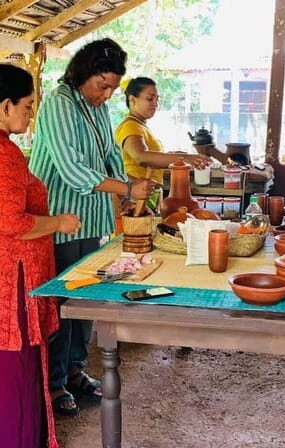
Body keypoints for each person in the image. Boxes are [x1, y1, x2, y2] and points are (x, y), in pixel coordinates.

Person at [0, 62, 79, 448]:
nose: (31, 114)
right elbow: (13, 222)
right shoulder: (5, 153)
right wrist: (59, 222)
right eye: (27, 106)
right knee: (12, 365)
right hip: (9, 274)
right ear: (6, 105)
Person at [29, 38, 155, 416]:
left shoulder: (99, 107)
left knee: (87, 299)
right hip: (63, 218)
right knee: (63, 301)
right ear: (84, 74)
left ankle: (76, 369)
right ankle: (53, 382)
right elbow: (73, 169)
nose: (107, 94)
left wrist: (126, 194)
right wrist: (128, 186)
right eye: (102, 85)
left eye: (114, 88)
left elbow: (110, 157)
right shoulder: (59, 104)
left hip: (95, 217)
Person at [114, 77, 208, 210]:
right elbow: (141, 157)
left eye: (157, 99)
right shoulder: (130, 126)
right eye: (150, 98)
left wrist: (180, 155)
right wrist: (185, 158)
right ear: (132, 99)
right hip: (135, 195)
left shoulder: (140, 127)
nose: (155, 104)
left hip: (148, 194)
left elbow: (153, 156)